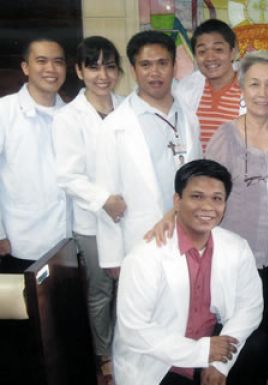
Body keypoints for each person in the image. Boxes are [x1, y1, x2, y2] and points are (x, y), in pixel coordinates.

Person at [147, 50, 268, 383]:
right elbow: (202, 186)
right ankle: (218, 371)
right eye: (254, 84)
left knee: (264, 320)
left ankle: (255, 372)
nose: (262, 93)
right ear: (242, 87)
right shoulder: (225, 136)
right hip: (231, 248)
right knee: (224, 318)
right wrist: (173, 213)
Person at [113, 159, 263, 385]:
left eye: (217, 199)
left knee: (260, 348)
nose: (208, 207)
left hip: (213, 346)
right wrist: (202, 352)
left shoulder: (236, 247)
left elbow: (249, 307)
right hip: (161, 360)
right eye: (197, 196)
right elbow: (134, 330)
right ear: (177, 200)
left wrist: (219, 363)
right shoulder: (144, 256)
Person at [94, 31, 201, 274]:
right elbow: (107, 195)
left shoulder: (188, 117)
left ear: (174, 66)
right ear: (133, 69)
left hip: (186, 233)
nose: (155, 72)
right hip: (141, 237)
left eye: (163, 63)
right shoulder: (115, 126)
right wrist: (113, 258)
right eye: (145, 65)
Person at [51, 36, 125, 382]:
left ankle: (130, 346)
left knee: (132, 286)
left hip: (129, 217)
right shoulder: (69, 118)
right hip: (93, 220)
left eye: (109, 66)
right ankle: (104, 354)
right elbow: (68, 175)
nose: (102, 75)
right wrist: (104, 200)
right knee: (101, 290)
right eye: (93, 66)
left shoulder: (128, 107)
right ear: (79, 71)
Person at [0, 36, 69, 271]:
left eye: (58, 62)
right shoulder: (5, 112)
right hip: (20, 242)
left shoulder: (72, 114)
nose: (51, 69)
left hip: (69, 242)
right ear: (25, 67)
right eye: (41, 61)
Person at [175, 19, 242, 150]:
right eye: (202, 51)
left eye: (218, 49)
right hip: (198, 169)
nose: (210, 57)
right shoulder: (184, 90)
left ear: (232, 52)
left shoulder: (253, 89)